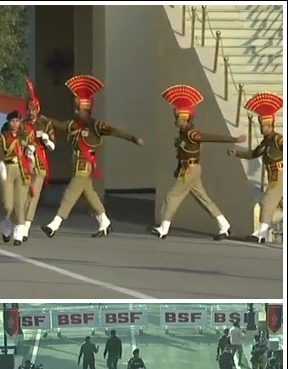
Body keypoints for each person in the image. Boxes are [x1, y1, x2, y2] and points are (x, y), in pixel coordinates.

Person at [39, 75, 144, 238]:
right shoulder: (74, 125)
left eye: (79, 109)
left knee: (71, 193)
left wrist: (133, 138)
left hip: (85, 164)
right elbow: (59, 124)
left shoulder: (96, 125)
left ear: (86, 110)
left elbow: (115, 131)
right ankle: (105, 222)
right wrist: (47, 119)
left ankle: (55, 224)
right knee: (89, 194)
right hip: (76, 163)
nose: (76, 112)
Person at [149, 85, 243, 240]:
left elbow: (212, 137)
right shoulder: (182, 135)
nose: (175, 120)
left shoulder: (192, 134)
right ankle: (224, 225)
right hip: (187, 169)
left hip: (191, 170)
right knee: (203, 199)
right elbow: (181, 154)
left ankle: (163, 228)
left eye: (177, 117)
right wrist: (178, 168)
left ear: (184, 118)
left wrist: (233, 139)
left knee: (172, 196)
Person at [229, 92, 283, 243]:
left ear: (271, 125)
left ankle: (262, 234)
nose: (263, 128)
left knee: (267, 201)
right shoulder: (265, 142)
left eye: (265, 125)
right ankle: (262, 233)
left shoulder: (278, 139)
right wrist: (237, 154)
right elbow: (254, 154)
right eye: (261, 125)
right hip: (272, 176)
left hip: (279, 175)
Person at [20, 78, 56, 242]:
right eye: (29, 108)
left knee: (34, 195)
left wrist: (47, 140)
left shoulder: (45, 124)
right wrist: (25, 146)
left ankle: (26, 226)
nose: (31, 111)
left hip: (39, 164)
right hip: (25, 163)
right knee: (23, 195)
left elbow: (52, 147)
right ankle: (19, 223)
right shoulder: (22, 124)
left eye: (34, 108)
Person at [0, 104, 33, 245]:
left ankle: (18, 233)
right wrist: (1, 165)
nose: (15, 123)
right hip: (7, 168)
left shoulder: (25, 136)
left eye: (18, 121)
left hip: (22, 169)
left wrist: (30, 152)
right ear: (8, 122)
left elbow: (29, 151)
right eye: (13, 121)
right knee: (7, 204)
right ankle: (6, 224)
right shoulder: (2, 137)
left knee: (20, 203)